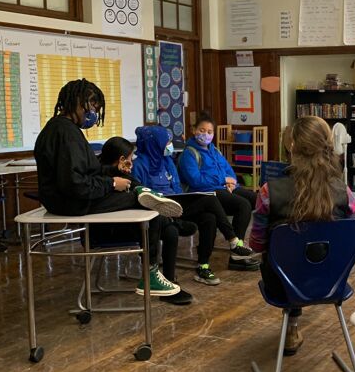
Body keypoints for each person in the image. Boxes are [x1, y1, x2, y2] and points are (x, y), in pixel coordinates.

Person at [33, 78, 183, 297]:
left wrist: (115, 175)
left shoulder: (65, 129)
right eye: (90, 105)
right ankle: (150, 275)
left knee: (127, 181)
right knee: (149, 210)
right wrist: (112, 183)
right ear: (75, 101)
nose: (93, 111)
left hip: (72, 198)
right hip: (72, 203)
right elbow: (75, 184)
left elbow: (91, 171)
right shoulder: (65, 134)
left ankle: (143, 191)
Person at [249, 116, 355, 356]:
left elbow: (256, 243)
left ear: (292, 146)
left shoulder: (269, 192)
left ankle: (291, 327)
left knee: (288, 258)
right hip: (332, 281)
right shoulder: (344, 191)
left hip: (282, 283)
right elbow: (350, 237)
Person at [132, 125, 259, 285]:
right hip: (156, 210)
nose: (169, 146)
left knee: (209, 217)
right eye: (166, 142)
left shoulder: (167, 161)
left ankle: (203, 266)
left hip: (176, 205)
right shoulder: (139, 165)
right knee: (210, 200)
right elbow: (140, 193)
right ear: (155, 144)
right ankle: (233, 240)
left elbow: (177, 187)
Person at [98, 137, 193, 305]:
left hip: (132, 223)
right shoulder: (101, 178)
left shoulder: (122, 173)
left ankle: (168, 283)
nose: (132, 163)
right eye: (130, 159)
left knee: (170, 231)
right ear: (121, 160)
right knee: (156, 218)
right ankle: (172, 224)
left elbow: (137, 186)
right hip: (111, 229)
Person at [177, 113, 259, 263]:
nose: (206, 135)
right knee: (242, 205)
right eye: (202, 130)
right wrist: (222, 179)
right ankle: (236, 246)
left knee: (255, 199)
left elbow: (228, 170)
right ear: (194, 130)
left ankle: (238, 244)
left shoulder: (215, 151)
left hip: (224, 187)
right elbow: (195, 180)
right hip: (206, 191)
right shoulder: (189, 154)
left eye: (209, 132)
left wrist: (231, 182)